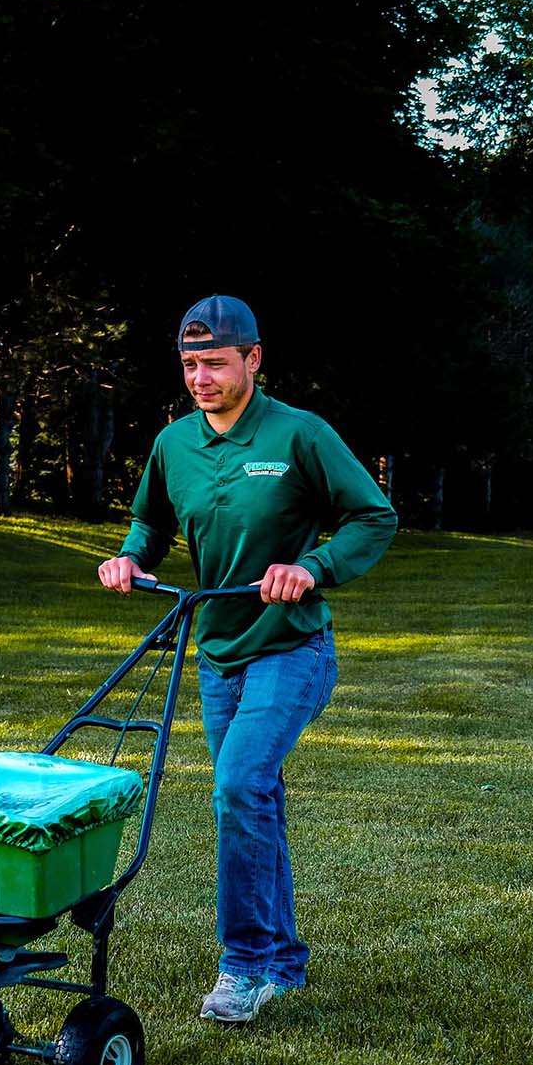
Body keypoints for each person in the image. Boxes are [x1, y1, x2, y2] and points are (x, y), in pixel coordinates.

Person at [98, 294, 397, 1024]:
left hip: (292, 647)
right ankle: (282, 962)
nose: (200, 378)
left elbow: (373, 515)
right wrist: (132, 557)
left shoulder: (299, 434)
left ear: (253, 359)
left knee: (237, 785)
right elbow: (149, 521)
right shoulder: (174, 444)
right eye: (189, 365)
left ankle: (242, 965)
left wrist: (314, 567)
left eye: (216, 363)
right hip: (218, 652)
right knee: (253, 796)